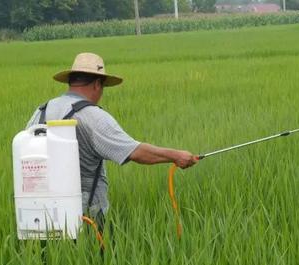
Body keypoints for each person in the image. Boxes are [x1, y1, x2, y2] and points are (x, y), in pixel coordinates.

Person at [26, 52, 198, 231]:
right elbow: (135, 152)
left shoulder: (42, 110)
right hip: (85, 215)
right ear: (97, 84)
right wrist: (177, 156)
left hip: (39, 211)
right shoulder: (93, 117)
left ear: (71, 81)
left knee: (49, 257)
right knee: (92, 257)